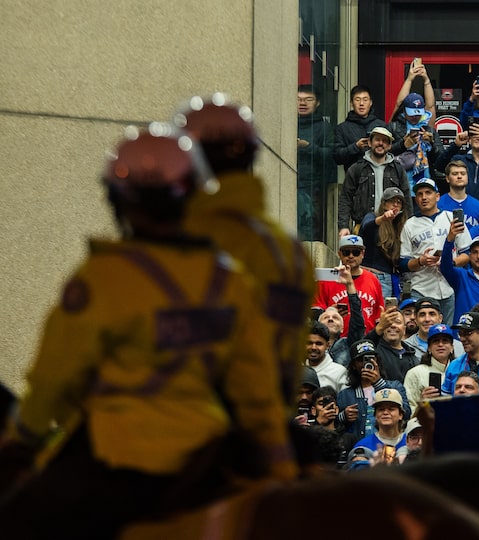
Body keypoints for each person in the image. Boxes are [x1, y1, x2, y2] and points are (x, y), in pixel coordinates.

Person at [0, 130, 296, 538]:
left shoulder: (103, 278)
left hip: (118, 456)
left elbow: (53, 378)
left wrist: (22, 441)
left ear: (120, 200)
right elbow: (257, 393)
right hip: (205, 455)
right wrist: (282, 471)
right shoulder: (232, 282)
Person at [178, 96, 314, 399]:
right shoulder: (286, 251)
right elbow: (285, 355)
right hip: (258, 425)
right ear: (251, 155)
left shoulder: (166, 240)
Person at [400, 178, 473, 325]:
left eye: (428, 193)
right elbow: (402, 263)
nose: (424, 197)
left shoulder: (451, 218)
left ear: (437, 196)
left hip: (448, 287)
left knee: (446, 335)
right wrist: (421, 261)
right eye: (420, 194)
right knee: (422, 331)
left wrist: (449, 262)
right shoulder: (409, 224)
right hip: (421, 288)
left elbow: (468, 253)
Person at [337, 126, 413, 236]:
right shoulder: (356, 168)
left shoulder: (398, 169)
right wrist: (343, 226)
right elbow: (345, 198)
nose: (380, 143)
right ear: (369, 142)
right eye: (377, 140)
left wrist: (409, 225)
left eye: (385, 141)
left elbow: (406, 197)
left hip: (391, 227)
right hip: (362, 227)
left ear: (389, 146)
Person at [336, 340, 411, 440]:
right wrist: (343, 416)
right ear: (353, 365)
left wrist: (378, 383)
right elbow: (334, 424)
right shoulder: (345, 395)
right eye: (361, 360)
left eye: (371, 358)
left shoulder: (395, 386)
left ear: (377, 361)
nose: (366, 363)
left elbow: (406, 413)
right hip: (359, 448)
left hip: (390, 445)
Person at [313, 235, 384, 334]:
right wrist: (330, 312)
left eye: (356, 252)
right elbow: (315, 312)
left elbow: (378, 315)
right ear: (339, 254)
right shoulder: (327, 278)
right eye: (346, 252)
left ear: (362, 254)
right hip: (335, 340)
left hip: (366, 340)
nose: (351, 256)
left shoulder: (373, 280)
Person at [295, 85, 336, 240]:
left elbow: (331, 155)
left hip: (313, 187)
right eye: (299, 99)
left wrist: (308, 147)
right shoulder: (287, 123)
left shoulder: (323, 127)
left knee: (308, 228)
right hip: (289, 182)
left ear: (317, 103)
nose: (303, 103)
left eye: (308, 99)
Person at [434, 120, 479, 205]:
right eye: (474, 135)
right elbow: (439, 165)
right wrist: (455, 145)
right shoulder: (460, 161)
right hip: (464, 209)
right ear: (469, 140)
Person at [358, 186, 407, 300]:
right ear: (384, 204)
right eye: (391, 201)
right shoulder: (372, 217)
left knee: (381, 315)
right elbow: (366, 227)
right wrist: (382, 219)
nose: (395, 205)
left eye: (399, 202)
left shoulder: (402, 226)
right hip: (366, 273)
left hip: (386, 278)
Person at [388, 92, 441, 190]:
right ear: (404, 111)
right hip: (399, 183)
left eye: (418, 114)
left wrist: (431, 144)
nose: (415, 117)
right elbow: (384, 153)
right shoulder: (394, 127)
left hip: (425, 184)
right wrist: (403, 145)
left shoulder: (429, 130)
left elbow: (441, 161)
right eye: (411, 114)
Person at [333, 84, 390, 173]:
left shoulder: (381, 126)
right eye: (357, 100)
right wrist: (355, 147)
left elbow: (391, 150)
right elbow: (337, 158)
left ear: (370, 102)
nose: (361, 104)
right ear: (351, 103)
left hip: (379, 176)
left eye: (365, 100)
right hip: (354, 180)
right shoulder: (342, 128)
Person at [403, 323, 455, 416]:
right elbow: (408, 413)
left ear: (452, 347)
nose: (440, 344)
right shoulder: (415, 373)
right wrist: (422, 403)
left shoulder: (461, 372)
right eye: (435, 341)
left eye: (445, 341)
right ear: (429, 348)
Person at [360, 306, 419, 383]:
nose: (393, 325)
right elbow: (361, 349)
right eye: (388, 323)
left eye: (397, 322)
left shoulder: (413, 358)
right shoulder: (374, 350)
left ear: (404, 330)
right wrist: (378, 329)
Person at [350, 388, 408, 464]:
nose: (385, 412)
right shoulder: (363, 446)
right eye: (381, 409)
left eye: (391, 409)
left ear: (400, 415)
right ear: (375, 415)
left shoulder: (411, 442)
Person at [305, 321, 348, 392]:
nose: (313, 347)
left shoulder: (339, 372)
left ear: (327, 346)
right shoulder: (297, 371)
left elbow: (345, 401)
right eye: (309, 343)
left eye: (319, 344)